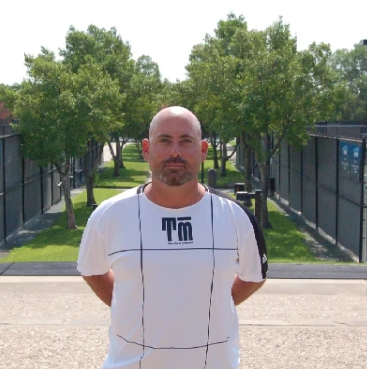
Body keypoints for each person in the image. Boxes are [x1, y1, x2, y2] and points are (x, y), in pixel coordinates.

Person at [78, 106, 267, 369]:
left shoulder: (236, 217)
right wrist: (129, 306)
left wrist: (209, 306)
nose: (174, 152)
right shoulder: (109, 215)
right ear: (146, 149)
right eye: (164, 141)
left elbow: (253, 276)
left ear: (202, 150)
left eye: (185, 141)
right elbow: (92, 271)